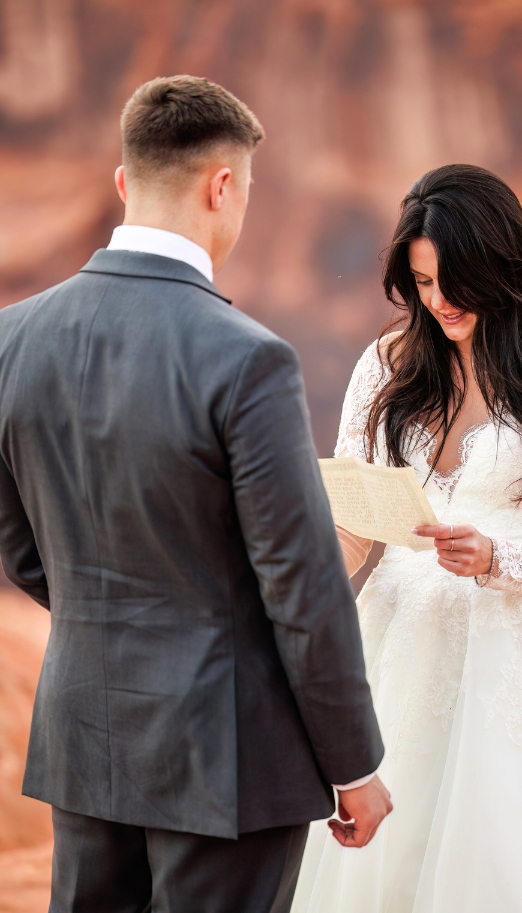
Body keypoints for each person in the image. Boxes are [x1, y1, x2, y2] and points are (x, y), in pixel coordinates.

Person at [0, 75, 392, 913]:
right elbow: (301, 584)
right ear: (222, 187)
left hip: (86, 737)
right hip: (230, 759)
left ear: (122, 183)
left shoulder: (10, 338)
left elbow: (22, 549)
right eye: (244, 190)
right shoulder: (249, 358)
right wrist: (353, 764)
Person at [292, 164, 522, 913]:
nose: (440, 301)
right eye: (424, 283)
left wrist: (502, 559)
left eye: (455, 280)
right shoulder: (388, 363)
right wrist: (299, 598)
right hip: (394, 644)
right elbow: (353, 526)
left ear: (505, 264)